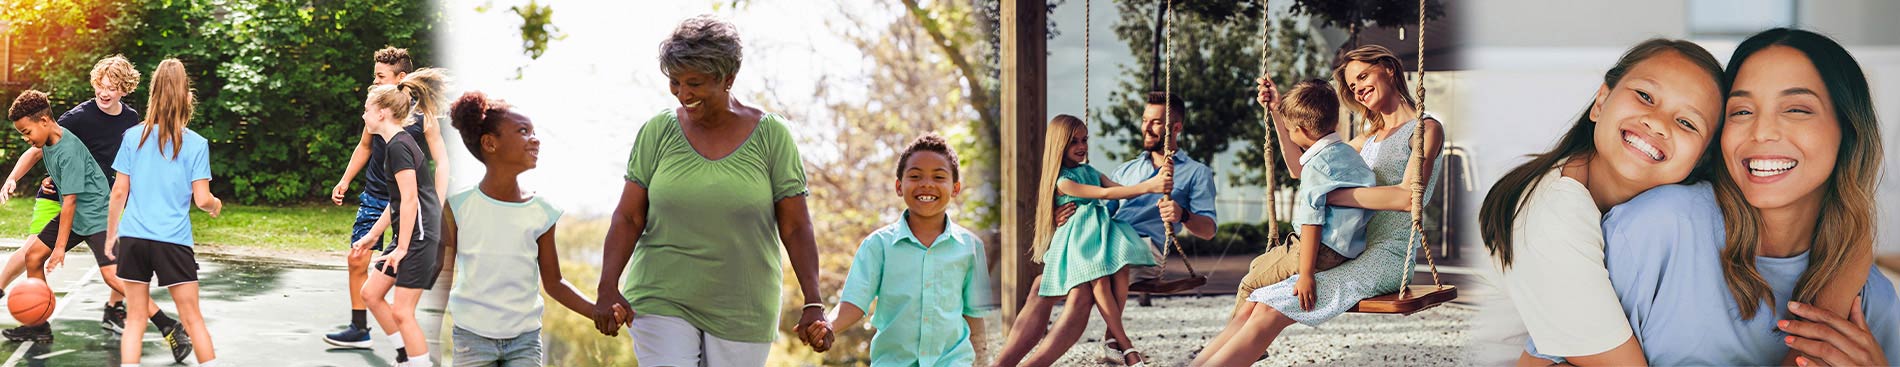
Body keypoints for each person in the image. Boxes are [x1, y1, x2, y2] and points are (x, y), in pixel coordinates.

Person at [1474, 38, 1731, 365]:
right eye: (1645, 96)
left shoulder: (1670, 219)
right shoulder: (1555, 212)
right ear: (1601, 101)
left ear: (1700, 159)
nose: (1657, 122)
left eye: (1686, 122)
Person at [590, 15, 826, 366]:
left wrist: (813, 301)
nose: (684, 94)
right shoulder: (658, 131)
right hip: (661, 295)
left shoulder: (772, 136)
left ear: (728, 78)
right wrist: (607, 285)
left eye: (695, 83)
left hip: (742, 303)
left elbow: (795, 226)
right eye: (675, 82)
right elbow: (628, 216)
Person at [1194, 79, 1377, 365]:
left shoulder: (1319, 167)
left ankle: (1246, 346)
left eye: (1291, 130)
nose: (1290, 135)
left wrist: (1305, 275)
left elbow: (1312, 223)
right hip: (1344, 247)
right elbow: (1298, 169)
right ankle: (1234, 345)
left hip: (1317, 250)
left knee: (1249, 284)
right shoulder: (1346, 155)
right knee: (1259, 266)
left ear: (1302, 131)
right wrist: (1277, 111)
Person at [0, 56, 174, 343]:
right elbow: (39, 147)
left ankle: (119, 310)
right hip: (67, 196)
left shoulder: (130, 119)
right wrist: (13, 177)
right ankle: (28, 313)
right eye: (100, 86)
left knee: (116, 266)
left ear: (125, 88)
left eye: (113, 87)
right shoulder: (78, 117)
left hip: (98, 203)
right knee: (33, 251)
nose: (104, 92)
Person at [804, 133, 994, 366]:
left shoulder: (971, 247)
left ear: (955, 188)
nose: (926, 184)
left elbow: (974, 315)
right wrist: (829, 325)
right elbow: (853, 303)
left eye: (938, 176)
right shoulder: (877, 246)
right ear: (898, 186)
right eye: (915, 176)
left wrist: (983, 360)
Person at [995, 114, 1167, 367]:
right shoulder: (1064, 180)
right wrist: (1150, 186)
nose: (1082, 146)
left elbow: (1115, 187)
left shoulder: (1088, 171)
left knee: (1108, 275)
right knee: (1072, 285)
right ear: (1059, 145)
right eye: (1073, 141)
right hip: (1082, 242)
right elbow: (1106, 193)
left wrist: (1160, 188)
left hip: (1104, 236)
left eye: (1084, 140)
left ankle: (1113, 341)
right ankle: (1124, 344)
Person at [440, 91, 596, 366]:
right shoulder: (458, 206)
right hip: (472, 339)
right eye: (523, 131)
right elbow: (441, 276)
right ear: (490, 143)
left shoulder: (543, 211)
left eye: (533, 131)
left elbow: (554, 283)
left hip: (525, 341)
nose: (534, 139)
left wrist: (596, 312)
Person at [326, 46, 454, 348]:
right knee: (357, 256)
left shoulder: (423, 117)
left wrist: (435, 199)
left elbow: (442, 161)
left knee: (405, 259)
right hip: (376, 196)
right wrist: (345, 180)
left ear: (401, 77)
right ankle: (359, 328)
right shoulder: (376, 110)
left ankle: (407, 336)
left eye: (380, 76)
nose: (375, 82)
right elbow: (364, 147)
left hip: (408, 200)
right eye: (375, 76)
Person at [106, 58, 223, 366]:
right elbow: (202, 200)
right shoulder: (196, 144)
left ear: (152, 94)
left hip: (133, 237)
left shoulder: (132, 137)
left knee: (134, 320)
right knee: (192, 318)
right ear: (187, 96)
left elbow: (119, 192)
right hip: (172, 240)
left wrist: (110, 236)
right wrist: (216, 204)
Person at [353, 68, 448, 367]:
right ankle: (406, 356)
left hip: (420, 236)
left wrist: (402, 247)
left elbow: (410, 200)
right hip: (410, 232)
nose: (363, 116)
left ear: (381, 113)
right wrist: (373, 235)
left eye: (367, 110)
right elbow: (398, 201)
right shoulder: (397, 143)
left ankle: (418, 362)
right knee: (371, 293)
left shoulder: (399, 147)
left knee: (402, 312)